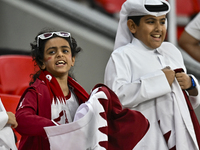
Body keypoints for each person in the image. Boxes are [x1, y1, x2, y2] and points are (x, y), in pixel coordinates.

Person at [104, 0, 200, 149]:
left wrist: (191, 85)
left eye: (162, 22)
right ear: (132, 26)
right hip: (144, 142)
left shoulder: (172, 51)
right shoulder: (121, 56)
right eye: (150, 22)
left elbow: (184, 102)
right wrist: (160, 81)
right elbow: (115, 99)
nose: (158, 29)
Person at [15, 29, 89, 150]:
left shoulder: (79, 94)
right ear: (41, 62)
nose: (60, 55)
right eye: (52, 52)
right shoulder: (36, 92)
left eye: (65, 51)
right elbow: (21, 119)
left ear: (72, 60)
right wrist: (55, 128)